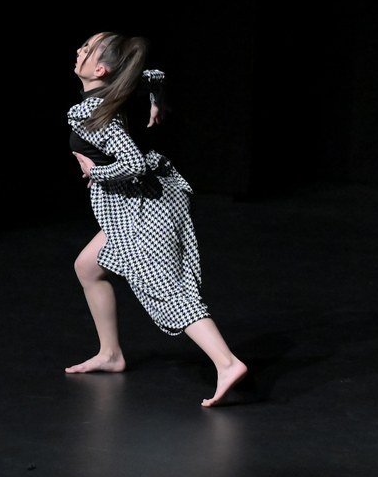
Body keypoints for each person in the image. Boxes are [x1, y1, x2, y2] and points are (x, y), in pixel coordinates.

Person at [63, 32, 248, 408]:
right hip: (140, 202)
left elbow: (132, 162)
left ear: (100, 70)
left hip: (143, 209)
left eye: (87, 49)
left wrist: (96, 172)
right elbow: (154, 75)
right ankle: (110, 354)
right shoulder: (125, 84)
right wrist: (156, 102)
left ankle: (227, 363)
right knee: (88, 267)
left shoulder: (90, 114)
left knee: (164, 287)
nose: (79, 51)